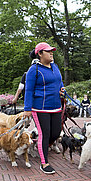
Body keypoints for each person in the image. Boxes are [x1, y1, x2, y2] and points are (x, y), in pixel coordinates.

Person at [23, 42, 64, 174]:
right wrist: (27, 109)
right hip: (40, 108)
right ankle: (44, 163)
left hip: (56, 106)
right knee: (44, 134)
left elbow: (59, 81)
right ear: (40, 54)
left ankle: (38, 143)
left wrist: (62, 90)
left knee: (56, 133)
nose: (51, 53)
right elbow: (28, 90)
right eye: (48, 51)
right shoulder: (33, 70)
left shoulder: (55, 66)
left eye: (52, 50)